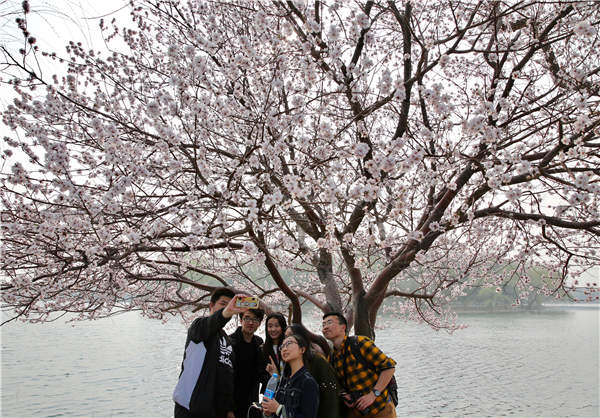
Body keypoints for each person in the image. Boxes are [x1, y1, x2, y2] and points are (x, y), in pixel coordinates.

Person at [172, 287, 248, 418]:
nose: (227, 308)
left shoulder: (227, 340)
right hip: (191, 408)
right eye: (223, 304)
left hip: (217, 411)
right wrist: (227, 311)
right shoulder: (198, 327)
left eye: (230, 305)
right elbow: (211, 323)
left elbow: (227, 376)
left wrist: (229, 409)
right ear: (211, 305)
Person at [322, 312, 397, 418]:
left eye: (329, 323)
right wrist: (344, 395)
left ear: (343, 327)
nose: (325, 327)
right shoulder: (331, 357)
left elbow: (389, 368)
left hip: (381, 409)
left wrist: (373, 394)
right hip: (357, 413)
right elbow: (337, 384)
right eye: (323, 325)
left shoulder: (360, 343)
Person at [285, 323, 341, 418]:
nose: (287, 340)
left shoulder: (318, 360)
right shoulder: (290, 362)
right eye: (285, 337)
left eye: (291, 336)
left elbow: (331, 396)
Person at [261, 334, 320, 418]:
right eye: (282, 346)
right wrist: (268, 413)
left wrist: (279, 409)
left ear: (302, 349)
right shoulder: (284, 381)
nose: (284, 349)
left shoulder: (308, 382)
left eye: (289, 343)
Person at [229, 308, 265, 418]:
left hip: (252, 399)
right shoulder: (230, 342)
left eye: (255, 319)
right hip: (232, 400)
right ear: (240, 320)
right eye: (247, 318)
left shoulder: (259, 342)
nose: (250, 322)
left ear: (259, 323)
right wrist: (228, 408)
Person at [260, 312, 287, 386]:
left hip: (288, 390)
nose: (273, 329)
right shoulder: (263, 349)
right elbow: (260, 374)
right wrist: (273, 377)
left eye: (277, 326)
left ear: (283, 327)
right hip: (270, 391)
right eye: (270, 326)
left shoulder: (289, 347)